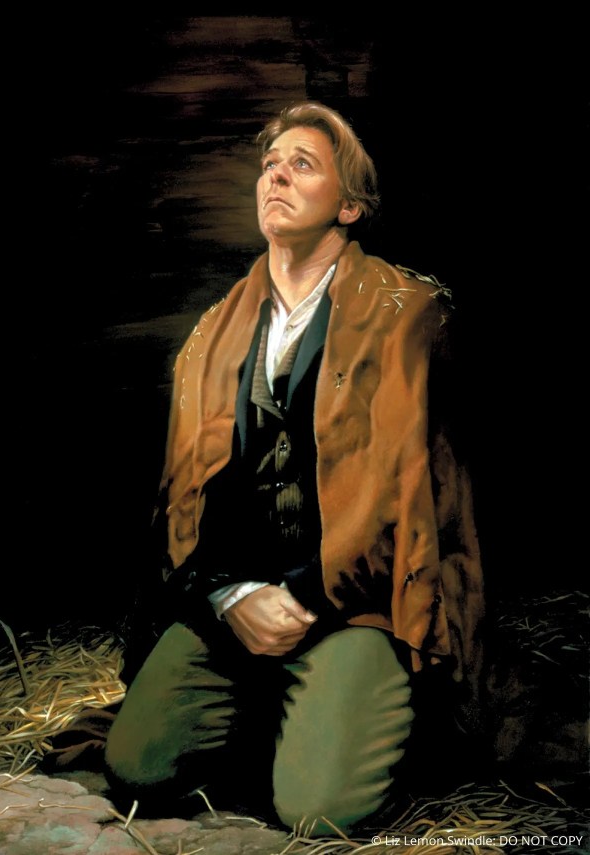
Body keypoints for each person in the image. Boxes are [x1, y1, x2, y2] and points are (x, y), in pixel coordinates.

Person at [105, 101, 485, 833]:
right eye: (269, 165)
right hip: (237, 596)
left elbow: (409, 501)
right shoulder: (213, 333)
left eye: (301, 165)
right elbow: (188, 499)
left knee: (320, 810)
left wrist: (300, 594)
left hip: (355, 605)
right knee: (137, 764)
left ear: (349, 206)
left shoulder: (410, 315)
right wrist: (229, 594)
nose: (274, 177)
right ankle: (277, 707)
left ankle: (331, 712)